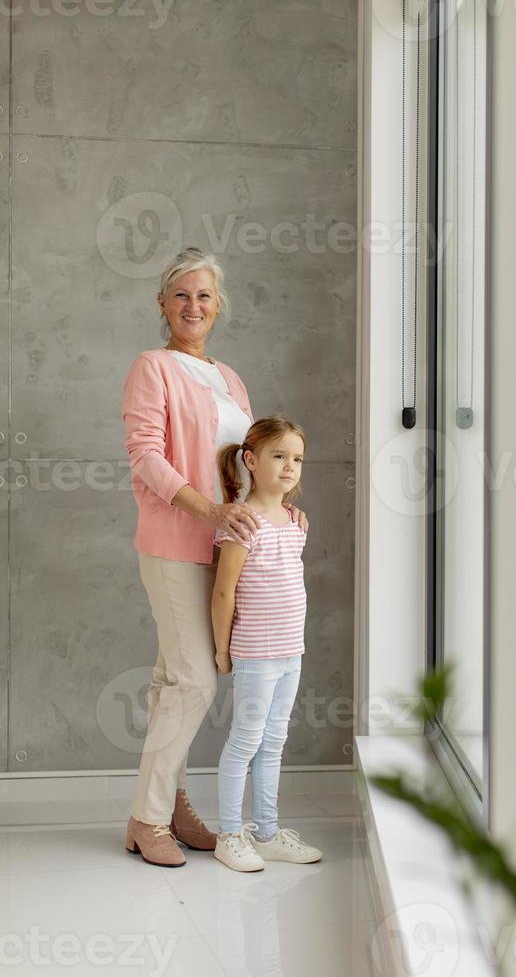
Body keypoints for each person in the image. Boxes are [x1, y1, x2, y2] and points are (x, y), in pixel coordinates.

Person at [121, 247, 309, 868]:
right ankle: (147, 819)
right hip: (178, 544)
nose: (193, 306)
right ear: (163, 305)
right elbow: (147, 455)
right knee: (196, 681)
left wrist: (277, 511)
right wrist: (208, 512)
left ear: (218, 305)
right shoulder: (153, 367)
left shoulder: (230, 379)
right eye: (181, 295)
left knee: (169, 682)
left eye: (204, 296)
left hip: (232, 552)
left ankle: (169, 805)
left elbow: (250, 464)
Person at [211, 416, 323, 871]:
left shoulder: (295, 522)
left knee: (275, 740)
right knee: (246, 740)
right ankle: (230, 835)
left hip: (290, 651)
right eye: (279, 456)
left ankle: (269, 832)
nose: (289, 466)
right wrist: (223, 649)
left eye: (297, 458)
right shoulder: (242, 522)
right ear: (251, 461)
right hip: (255, 652)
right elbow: (223, 591)